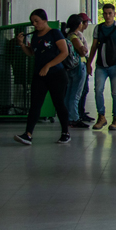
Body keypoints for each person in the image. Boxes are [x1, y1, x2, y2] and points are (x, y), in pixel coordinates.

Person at [13, 9, 72, 145]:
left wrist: (48, 66)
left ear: (44, 20)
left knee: (58, 102)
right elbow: (31, 53)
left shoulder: (54, 33)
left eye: (37, 21)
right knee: (35, 104)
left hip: (56, 74)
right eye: (32, 22)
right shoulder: (35, 36)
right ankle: (28, 134)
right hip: (40, 75)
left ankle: (65, 132)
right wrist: (21, 44)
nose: (34, 24)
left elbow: (64, 53)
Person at [87, 4, 116, 131]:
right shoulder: (98, 28)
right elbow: (94, 46)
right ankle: (101, 117)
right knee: (98, 90)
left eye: (110, 13)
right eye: (105, 13)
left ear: (114, 14)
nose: (107, 16)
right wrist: (89, 63)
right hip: (101, 65)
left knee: (115, 92)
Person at [62, 14, 89, 128]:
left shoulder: (68, 36)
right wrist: (84, 48)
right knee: (76, 94)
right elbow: (83, 52)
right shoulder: (74, 37)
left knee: (69, 94)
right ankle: (74, 118)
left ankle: (68, 117)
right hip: (78, 67)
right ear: (79, 24)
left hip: (70, 68)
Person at [75, 13, 94, 122]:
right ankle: (78, 113)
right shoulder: (77, 35)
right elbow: (83, 51)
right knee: (81, 90)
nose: (86, 25)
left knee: (83, 90)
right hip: (80, 64)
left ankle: (80, 111)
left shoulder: (79, 34)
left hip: (82, 63)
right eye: (85, 22)